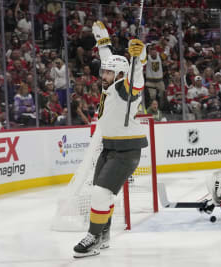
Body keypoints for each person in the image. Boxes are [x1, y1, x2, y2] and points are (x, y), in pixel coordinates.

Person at [73, 21, 147, 258]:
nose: (102, 75)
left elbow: (136, 80)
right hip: (110, 147)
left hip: (127, 150)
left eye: (107, 72)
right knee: (103, 192)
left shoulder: (126, 90)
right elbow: (111, 61)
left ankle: (93, 237)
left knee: (100, 193)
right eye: (102, 71)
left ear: (120, 75)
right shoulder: (111, 83)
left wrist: (141, 58)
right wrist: (103, 41)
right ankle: (103, 234)